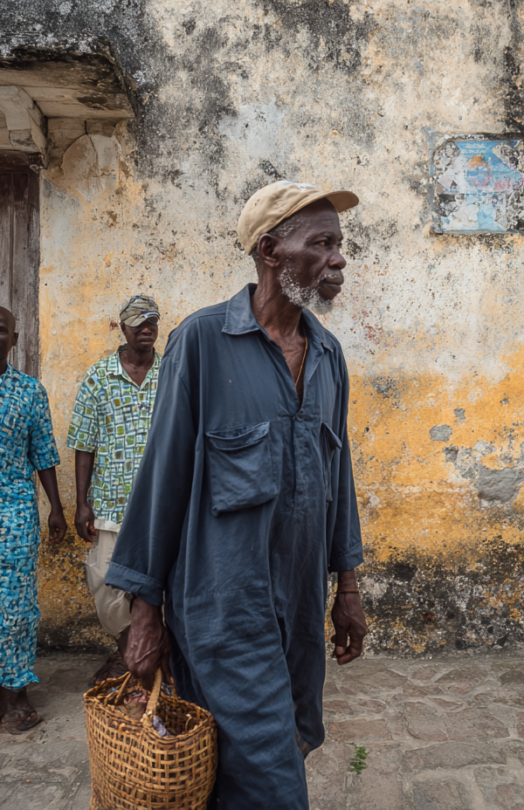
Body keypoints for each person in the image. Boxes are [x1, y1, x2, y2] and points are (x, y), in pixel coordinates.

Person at [106, 180, 367, 809]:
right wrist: (145, 614)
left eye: (341, 244)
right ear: (272, 250)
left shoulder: (328, 356)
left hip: (300, 609)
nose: (339, 259)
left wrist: (348, 588)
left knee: (282, 746)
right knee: (273, 782)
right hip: (225, 614)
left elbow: (340, 479)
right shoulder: (200, 342)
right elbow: (162, 477)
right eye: (322, 243)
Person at [67, 296, 162, 684]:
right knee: (106, 584)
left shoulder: (171, 373)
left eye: (152, 321)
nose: (146, 327)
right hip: (109, 503)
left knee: (162, 585)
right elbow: (84, 444)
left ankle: (151, 658)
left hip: (162, 504)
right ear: (121, 328)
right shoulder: (98, 377)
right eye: (138, 322)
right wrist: (82, 503)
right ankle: (128, 646)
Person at [0, 306, 67, 733]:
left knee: (16, 607)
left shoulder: (29, 391)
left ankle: (14, 692)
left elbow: (43, 453)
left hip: (15, 514)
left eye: (1, 329)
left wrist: (56, 509)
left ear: (15, 338)